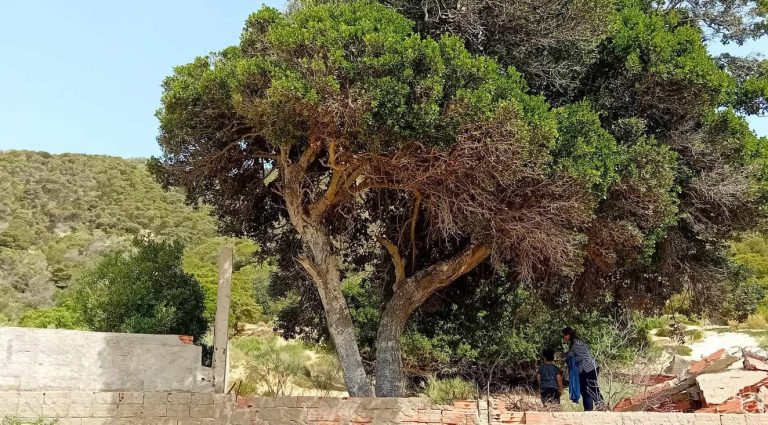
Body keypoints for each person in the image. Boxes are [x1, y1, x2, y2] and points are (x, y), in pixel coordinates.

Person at [562, 326, 604, 411]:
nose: (563, 337)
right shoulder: (578, 342)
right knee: (585, 391)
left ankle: (601, 407)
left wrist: (566, 356)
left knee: (592, 389)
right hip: (588, 368)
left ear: (568, 335)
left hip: (588, 368)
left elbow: (573, 357)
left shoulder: (576, 343)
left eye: (564, 335)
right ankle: (589, 410)